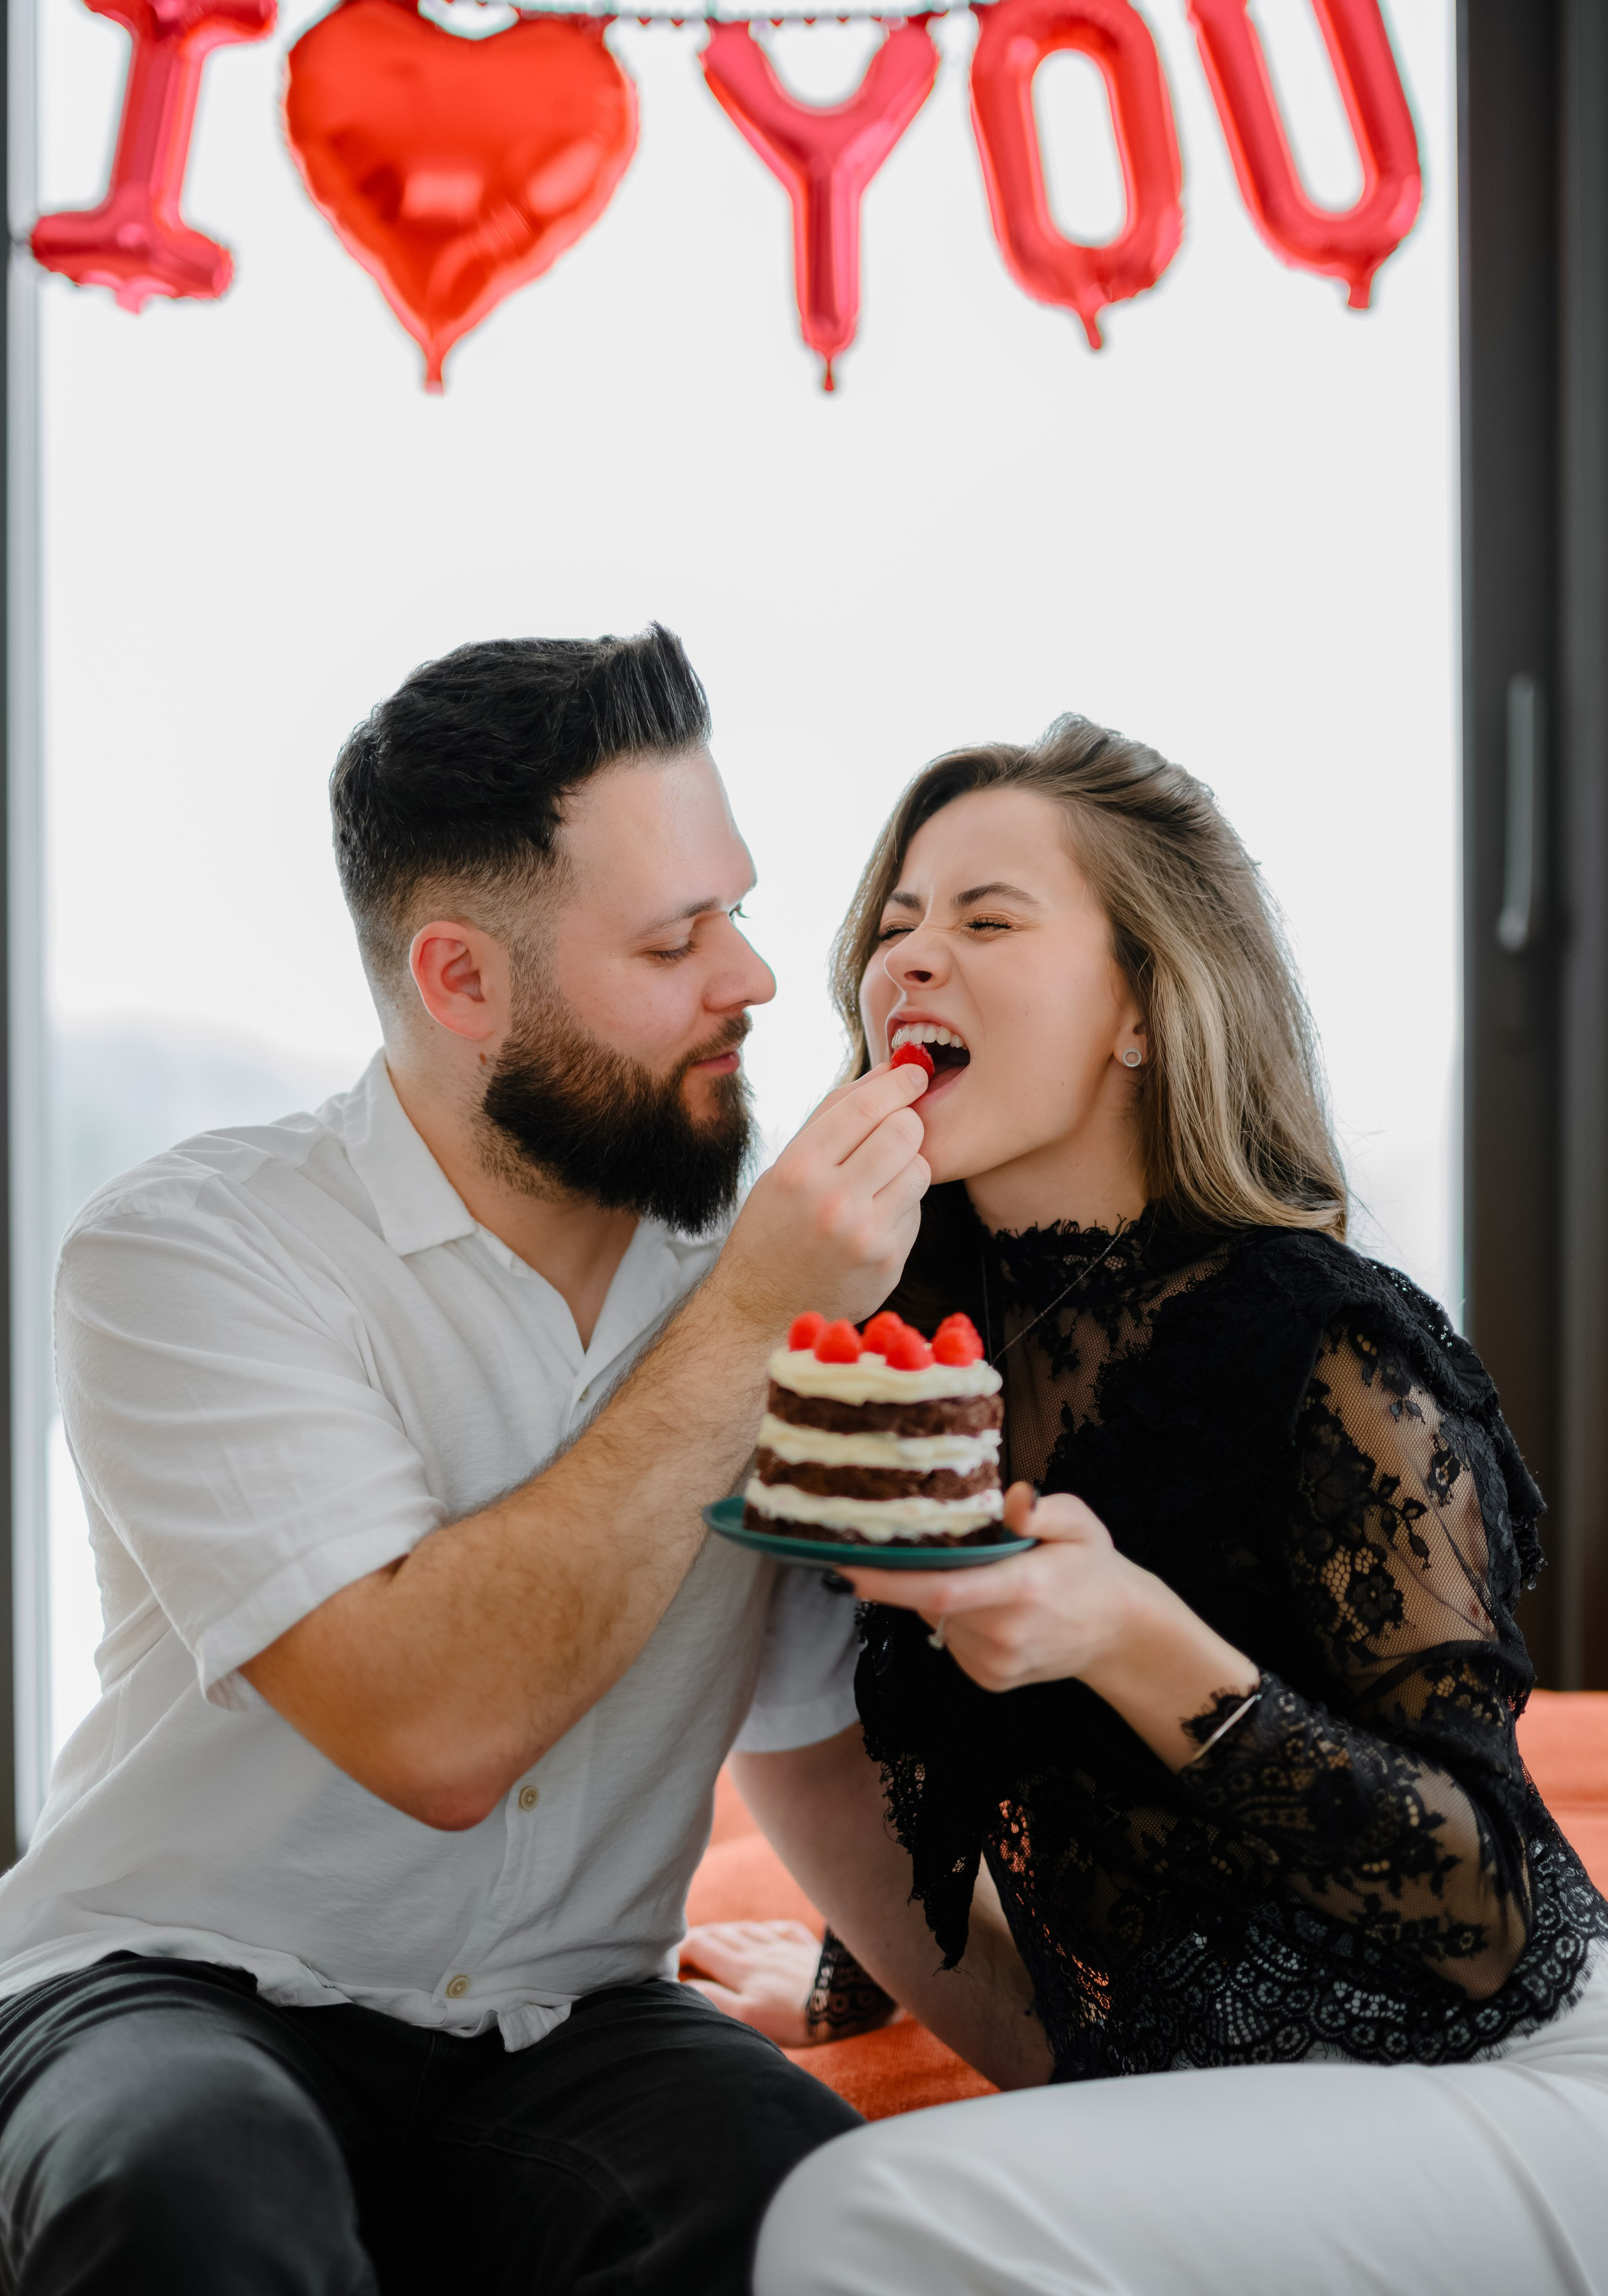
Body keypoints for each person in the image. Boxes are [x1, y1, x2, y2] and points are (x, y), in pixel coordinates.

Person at [0, 626, 940, 2295]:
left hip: (571, 2023)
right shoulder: (190, 1254)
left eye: (735, 907)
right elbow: (432, 1731)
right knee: (194, 2188)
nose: (754, 978)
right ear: (461, 981)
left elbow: (808, 1756)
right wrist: (745, 1328)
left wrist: (1103, 2062)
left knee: (804, 2205)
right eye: (675, 940)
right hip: (176, 1985)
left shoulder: (771, 1269)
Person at [719, 717, 1608, 2296]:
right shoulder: (923, 1343)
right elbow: (974, 1756)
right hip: (1234, 2094)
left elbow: (1484, 1915)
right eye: (894, 925)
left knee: (861, 2214)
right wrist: (859, 1980)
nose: (908, 960)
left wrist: (1135, 1636)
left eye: (986, 921)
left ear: (1138, 1006)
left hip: (1506, 2075)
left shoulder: (1320, 1339)